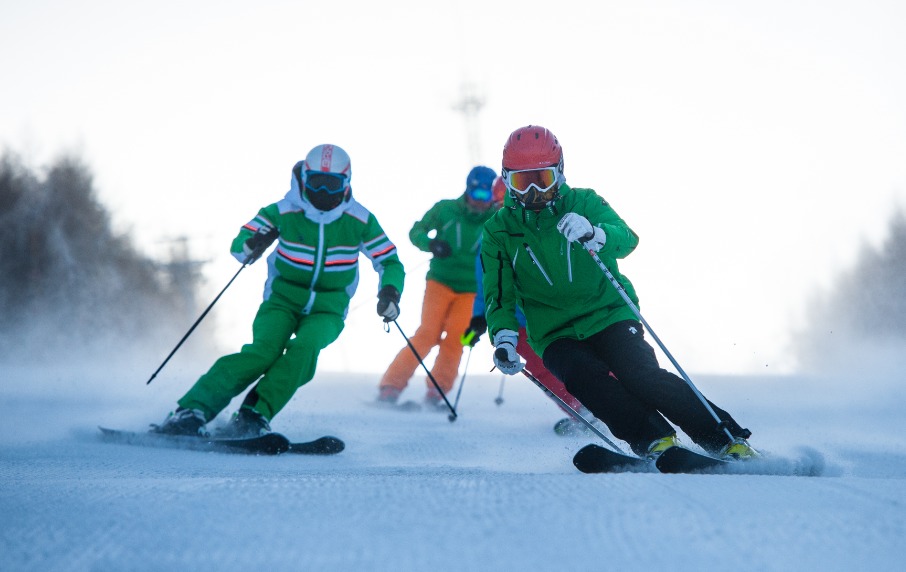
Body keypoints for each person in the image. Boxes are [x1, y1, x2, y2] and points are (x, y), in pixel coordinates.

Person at [481, 125, 758, 460]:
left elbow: (627, 238)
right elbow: (499, 294)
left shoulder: (584, 202)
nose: (535, 192)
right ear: (507, 180)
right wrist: (505, 339)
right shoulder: (498, 231)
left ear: (560, 173)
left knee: (640, 375)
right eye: (523, 183)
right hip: (554, 332)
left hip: (609, 312)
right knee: (587, 381)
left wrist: (595, 233)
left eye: (543, 179)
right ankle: (655, 441)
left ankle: (727, 439)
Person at [155, 144, 405, 437]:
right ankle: (191, 410)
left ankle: (253, 415)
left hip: (328, 308)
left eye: (332, 185)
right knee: (263, 353)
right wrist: (253, 243)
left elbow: (389, 260)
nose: (323, 193)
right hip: (281, 301)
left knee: (305, 350)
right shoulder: (283, 211)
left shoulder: (360, 220)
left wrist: (390, 292)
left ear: (346, 183)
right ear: (305, 179)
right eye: (316, 183)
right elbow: (241, 243)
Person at [461, 176, 595, 436]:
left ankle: (610, 405)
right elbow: (487, 285)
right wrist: (478, 320)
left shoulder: (543, 228)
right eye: (499, 203)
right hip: (519, 324)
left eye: (507, 202)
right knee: (543, 372)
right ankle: (582, 412)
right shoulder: (491, 238)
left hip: (551, 315)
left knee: (583, 361)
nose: (505, 208)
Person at [377, 166, 498, 409]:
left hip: (471, 291)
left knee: (458, 338)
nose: (481, 202)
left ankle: (438, 391)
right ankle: (391, 385)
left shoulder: (496, 220)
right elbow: (416, 231)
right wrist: (432, 244)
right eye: (477, 195)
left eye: (487, 197)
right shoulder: (446, 209)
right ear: (468, 190)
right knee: (427, 334)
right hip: (439, 283)